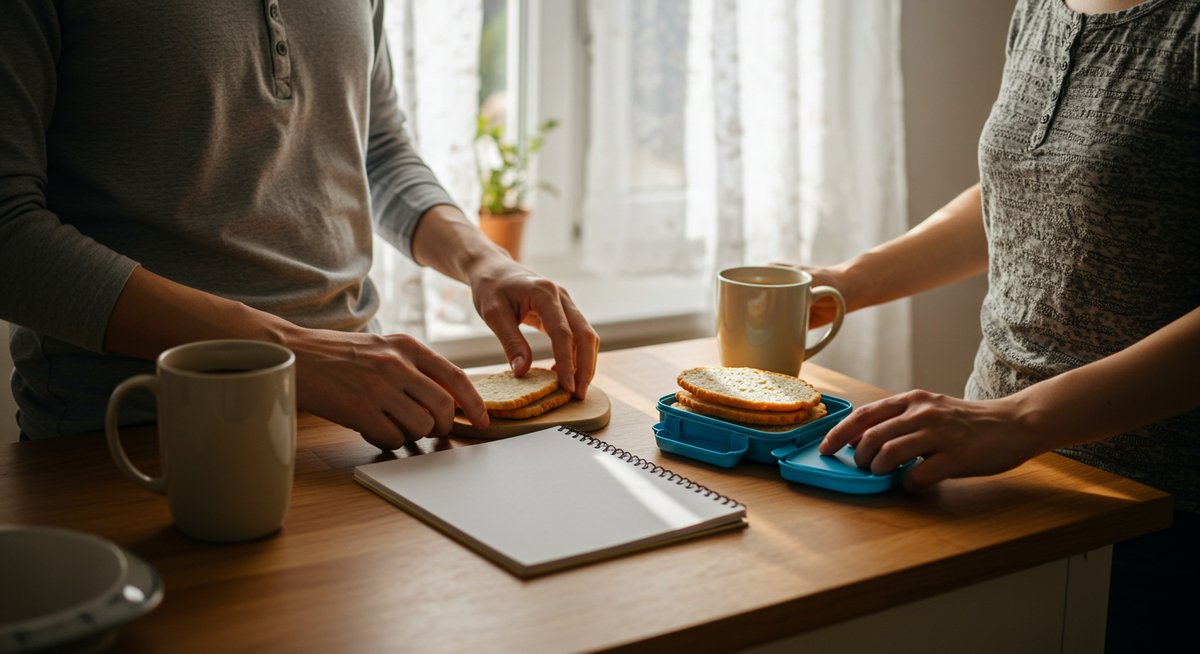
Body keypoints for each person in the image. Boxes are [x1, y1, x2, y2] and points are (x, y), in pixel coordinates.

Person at [782, 0, 1197, 650]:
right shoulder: (1041, 7)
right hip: (995, 475)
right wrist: (848, 283)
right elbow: (1030, 187)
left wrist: (1018, 419)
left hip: (1151, 511)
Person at [0, 1, 598, 449]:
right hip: (130, 436)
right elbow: (9, 231)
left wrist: (483, 260)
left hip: (360, 424)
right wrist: (292, 353)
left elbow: (376, 149)